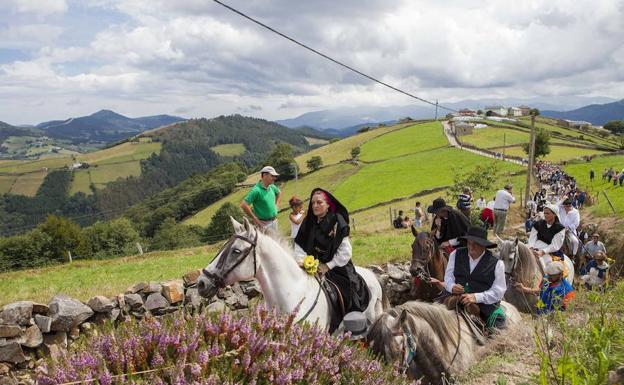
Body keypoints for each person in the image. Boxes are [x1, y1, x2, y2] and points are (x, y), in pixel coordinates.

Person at [294, 188, 369, 330]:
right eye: (313, 203)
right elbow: (299, 245)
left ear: (328, 205)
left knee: (349, 293)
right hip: (313, 267)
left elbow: (345, 251)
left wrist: (327, 266)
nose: (315, 206)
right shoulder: (308, 222)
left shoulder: (337, 222)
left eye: (319, 202)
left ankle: (353, 327)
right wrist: (303, 261)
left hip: (337, 267)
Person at [441, 226, 507, 330]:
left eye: (475, 244)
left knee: (499, 330)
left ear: (484, 245)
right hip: (454, 297)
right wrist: (452, 286)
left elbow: (499, 291)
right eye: (469, 243)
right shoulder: (455, 254)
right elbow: (448, 277)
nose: (471, 247)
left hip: (483, 305)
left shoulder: (497, 263)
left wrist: (476, 297)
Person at [240, 166, 282, 231]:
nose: (274, 178)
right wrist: (254, 218)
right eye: (272, 176)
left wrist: (276, 205)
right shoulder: (256, 190)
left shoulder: (272, 186)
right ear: (265, 175)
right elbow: (243, 205)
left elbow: (279, 192)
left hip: (274, 221)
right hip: (263, 224)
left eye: (275, 176)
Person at [528, 202, 567, 271]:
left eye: (548, 213)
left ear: (554, 214)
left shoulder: (560, 228)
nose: (545, 215)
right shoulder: (538, 223)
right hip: (535, 246)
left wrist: (542, 252)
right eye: (544, 213)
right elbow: (532, 237)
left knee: (548, 268)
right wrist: (531, 247)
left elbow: (555, 245)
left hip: (549, 250)